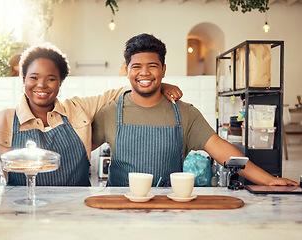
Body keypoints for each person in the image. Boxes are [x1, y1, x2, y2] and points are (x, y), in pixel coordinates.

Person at [92, 33, 298, 187]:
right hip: (117, 207)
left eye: (152, 66)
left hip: (169, 209)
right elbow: (81, 147)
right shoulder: (111, 111)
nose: (144, 72)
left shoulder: (185, 113)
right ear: (127, 70)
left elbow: (222, 150)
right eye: (136, 66)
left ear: (163, 70)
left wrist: (268, 179)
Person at [0, 42, 182, 186]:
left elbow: (121, 93)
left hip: (76, 215)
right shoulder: (3, 120)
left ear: (60, 82)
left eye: (51, 79)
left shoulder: (78, 109)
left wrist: (157, 84)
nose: (41, 85)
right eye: (33, 78)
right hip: (21, 216)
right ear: (23, 79)